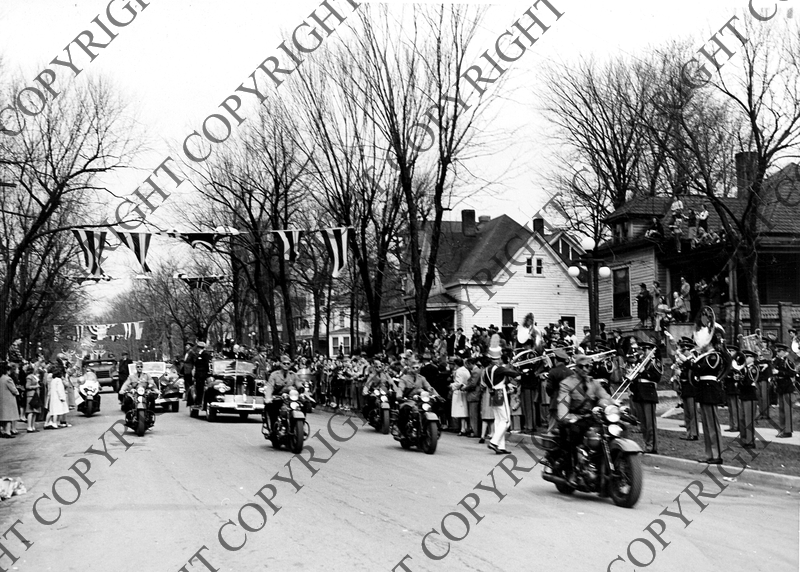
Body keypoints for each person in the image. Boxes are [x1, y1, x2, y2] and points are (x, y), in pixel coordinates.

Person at [555, 354, 613, 486]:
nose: (586, 369)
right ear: (576, 367)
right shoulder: (567, 383)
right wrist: (564, 416)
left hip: (590, 417)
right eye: (582, 366)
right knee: (574, 435)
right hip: (574, 418)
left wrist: (617, 406)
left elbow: (605, 396)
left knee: (611, 430)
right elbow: (563, 402)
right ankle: (572, 471)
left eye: (589, 366)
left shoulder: (593, 383)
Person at [483, 336, 520, 454]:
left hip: (492, 393)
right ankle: (494, 442)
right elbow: (513, 373)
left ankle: (501, 446)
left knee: (498, 420)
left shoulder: (486, 370)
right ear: (498, 358)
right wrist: (517, 370)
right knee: (506, 421)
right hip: (500, 392)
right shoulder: (499, 369)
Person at [394, 358, 439, 437]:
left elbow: (429, 387)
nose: (415, 369)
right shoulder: (404, 378)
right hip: (407, 400)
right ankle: (401, 430)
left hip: (420, 400)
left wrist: (437, 396)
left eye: (417, 367)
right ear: (409, 368)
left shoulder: (421, 378)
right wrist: (399, 396)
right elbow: (400, 389)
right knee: (405, 410)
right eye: (413, 368)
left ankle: (435, 428)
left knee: (432, 407)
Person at [265, 355, 303, 428]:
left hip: (290, 398)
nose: (286, 365)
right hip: (278, 397)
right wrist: (268, 398)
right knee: (272, 408)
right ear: (280, 364)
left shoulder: (293, 375)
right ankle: (273, 428)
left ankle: (301, 425)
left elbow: (298, 383)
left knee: (303, 404)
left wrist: (301, 389)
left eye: (288, 363)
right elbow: (270, 386)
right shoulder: (274, 375)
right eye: (284, 363)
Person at [772, 344, 794, 438]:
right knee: (781, 409)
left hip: (786, 386)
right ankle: (782, 429)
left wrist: (779, 372)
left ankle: (788, 430)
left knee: (787, 409)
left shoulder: (788, 360)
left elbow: (792, 373)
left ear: (784, 351)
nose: (777, 353)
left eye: (779, 351)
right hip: (780, 386)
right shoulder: (778, 360)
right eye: (777, 351)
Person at [463, 357, 484, 438]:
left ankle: (474, 431)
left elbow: (473, 384)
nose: (467, 367)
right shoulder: (477, 370)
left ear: (470, 364)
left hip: (474, 394)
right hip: (475, 394)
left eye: (467, 365)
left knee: (473, 415)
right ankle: (475, 430)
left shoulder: (475, 371)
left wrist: (465, 387)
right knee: (474, 414)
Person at [450, 357, 470, 436]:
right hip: (465, 391)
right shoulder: (466, 370)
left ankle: (462, 428)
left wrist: (452, 385)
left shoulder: (458, 371)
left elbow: (458, 383)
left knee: (460, 411)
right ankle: (463, 427)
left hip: (459, 391)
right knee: (464, 411)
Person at [0, 363, 20, 438]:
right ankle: (8, 432)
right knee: (9, 416)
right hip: (9, 399)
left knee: (3, 417)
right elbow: (13, 389)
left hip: (2, 399)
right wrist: (17, 392)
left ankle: (4, 431)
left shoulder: (1, 378)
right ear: (7, 371)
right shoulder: (8, 379)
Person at [193, 342, 212, 409]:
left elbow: (206, 364)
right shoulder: (199, 354)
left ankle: (199, 402)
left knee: (200, 388)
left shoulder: (205, 354)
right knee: (198, 388)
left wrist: (207, 373)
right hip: (198, 374)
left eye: (198, 347)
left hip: (202, 374)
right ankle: (198, 401)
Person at [24, 364, 41, 433]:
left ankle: (33, 426)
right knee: (30, 412)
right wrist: (36, 386)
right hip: (31, 395)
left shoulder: (34, 376)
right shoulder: (29, 377)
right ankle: (29, 427)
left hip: (35, 395)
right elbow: (27, 386)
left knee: (35, 412)